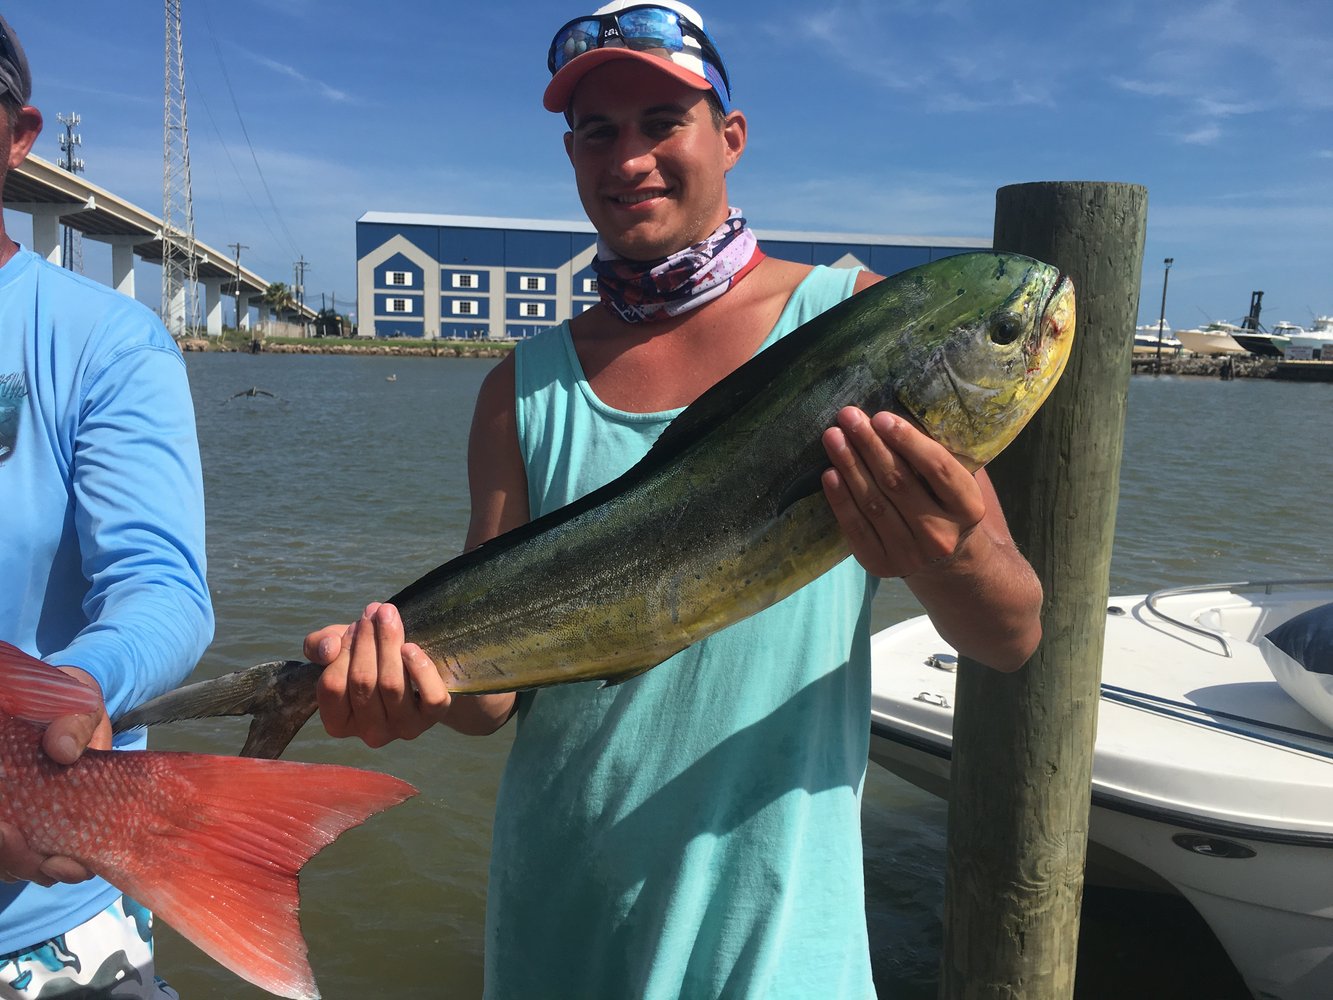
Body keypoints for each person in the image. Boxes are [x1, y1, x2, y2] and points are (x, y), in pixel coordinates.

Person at [306, 2, 1042, 997]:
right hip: (555, 933)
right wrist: (407, 688)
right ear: (569, 155)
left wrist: (945, 549)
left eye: (663, 121)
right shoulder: (520, 388)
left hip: (779, 946)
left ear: (728, 138)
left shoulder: (858, 324)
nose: (629, 158)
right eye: (597, 132)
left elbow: (1012, 633)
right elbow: (493, 699)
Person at [0, 13, 213, 998]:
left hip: (50, 939)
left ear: (19, 136)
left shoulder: (103, 341)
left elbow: (164, 590)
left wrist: (66, 699)